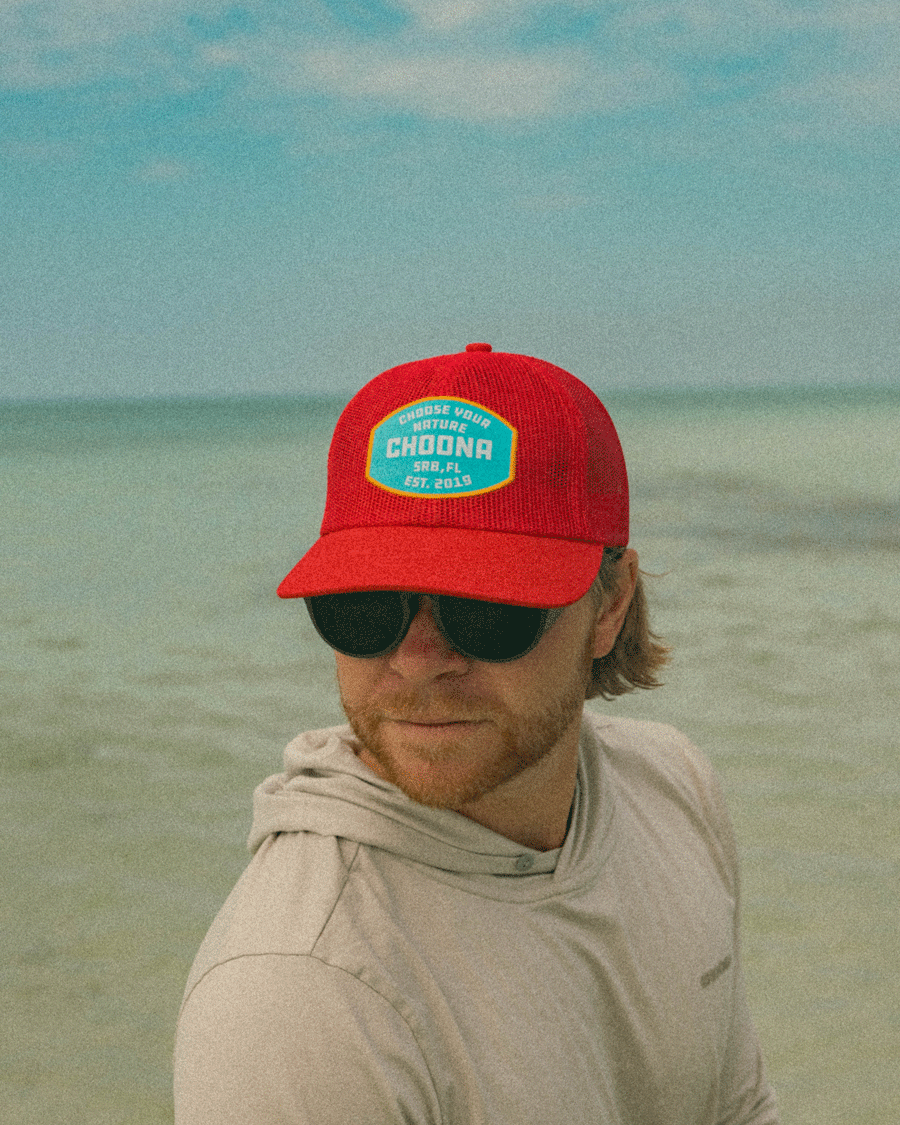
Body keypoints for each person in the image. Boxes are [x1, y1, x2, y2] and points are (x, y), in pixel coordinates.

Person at [174, 343, 778, 1124]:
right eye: (367, 606)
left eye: (488, 608)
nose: (418, 660)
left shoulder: (673, 788)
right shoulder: (301, 995)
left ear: (610, 605)